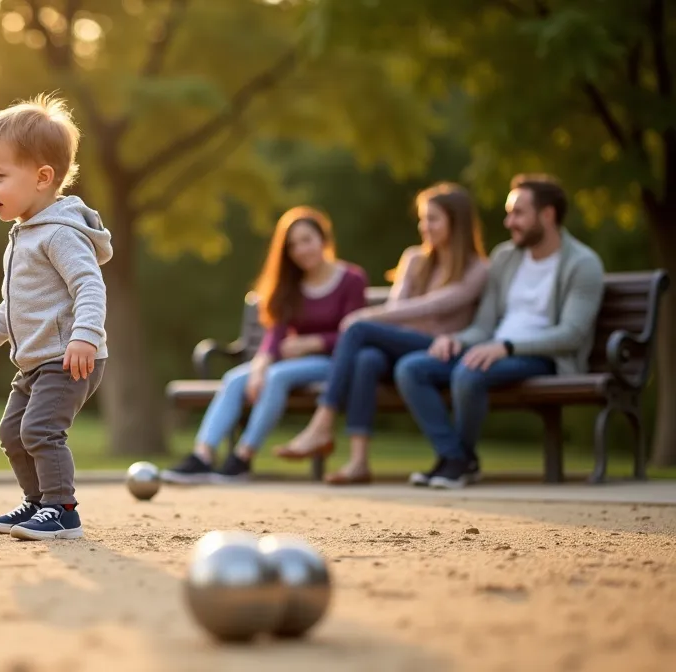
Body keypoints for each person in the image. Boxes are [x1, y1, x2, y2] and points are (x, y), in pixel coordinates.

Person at [0, 94, 111, 541]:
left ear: (42, 178)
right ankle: (37, 504)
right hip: (36, 361)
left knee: (39, 429)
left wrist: (85, 336)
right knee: (13, 433)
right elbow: (13, 309)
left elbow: (89, 286)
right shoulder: (24, 235)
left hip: (70, 357)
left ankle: (62, 510)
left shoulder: (59, 233)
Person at [393, 173, 605, 489]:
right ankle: (457, 459)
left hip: (543, 355)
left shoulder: (583, 264)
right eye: (509, 213)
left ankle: (457, 464)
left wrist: (506, 346)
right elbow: (484, 325)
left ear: (547, 215)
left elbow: (571, 334)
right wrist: (456, 339)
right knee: (411, 368)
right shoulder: (505, 258)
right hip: (493, 348)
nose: (509, 222)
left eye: (518, 213)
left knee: (468, 373)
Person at [275, 182, 489, 485]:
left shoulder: (477, 268)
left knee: (359, 328)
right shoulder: (415, 259)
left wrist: (365, 316)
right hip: (402, 346)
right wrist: (375, 320)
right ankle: (359, 462)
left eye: (433, 219)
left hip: (440, 350)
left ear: (457, 221)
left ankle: (323, 422)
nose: (424, 226)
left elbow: (433, 305)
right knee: (366, 359)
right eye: (422, 218)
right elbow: (398, 307)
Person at [162, 207, 368, 484]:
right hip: (291, 363)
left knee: (277, 376)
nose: (300, 250)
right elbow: (275, 334)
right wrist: (259, 365)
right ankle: (203, 456)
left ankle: (243, 457)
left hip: (333, 362)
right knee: (235, 379)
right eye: (293, 245)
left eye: (307, 240)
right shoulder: (291, 284)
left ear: (323, 239)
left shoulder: (352, 279)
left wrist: (312, 342)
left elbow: (354, 334)